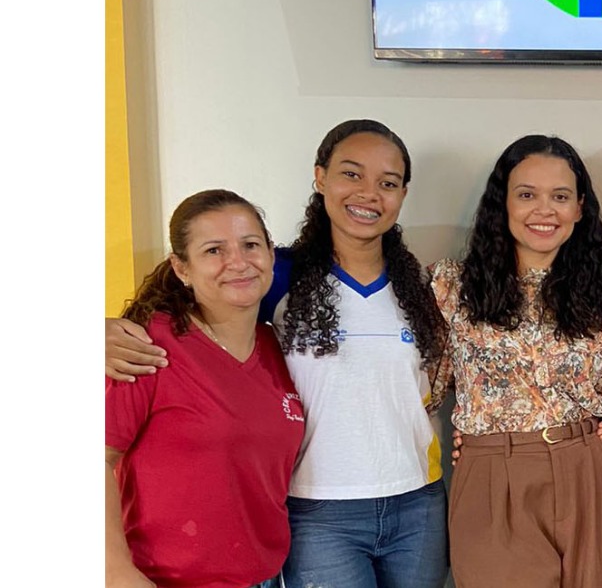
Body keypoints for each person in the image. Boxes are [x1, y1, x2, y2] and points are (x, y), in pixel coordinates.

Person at [106, 119, 451, 588]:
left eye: (387, 183)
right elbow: (201, 301)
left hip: (417, 502)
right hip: (318, 510)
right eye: (351, 174)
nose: (369, 193)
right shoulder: (279, 275)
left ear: (403, 194)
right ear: (320, 177)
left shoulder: (426, 286)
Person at [431, 134, 602, 588]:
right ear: (502, 203)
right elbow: (422, 388)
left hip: (586, 470)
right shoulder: (454, 288)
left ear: (579, 208)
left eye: (560, 197)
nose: (544, 210)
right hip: (493, 475)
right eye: (527, 195)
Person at [106, 189, 304, 588]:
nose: (239, 262)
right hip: (166, 579)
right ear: (182, 268)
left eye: (250, 245)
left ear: (270, 254)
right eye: (214, 250)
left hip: (264, 578)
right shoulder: (147, 345)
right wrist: (116, 572)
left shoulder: (279, 347)